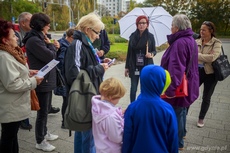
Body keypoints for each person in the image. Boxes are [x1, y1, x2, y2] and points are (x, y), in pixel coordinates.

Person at [64, 12, 110, 153]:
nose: (98, 36)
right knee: (89, 134)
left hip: (89, 93)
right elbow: (74, 74)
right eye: (97, 32)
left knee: (82, 131)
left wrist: (101, 63)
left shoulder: (86, 43)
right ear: (87, 29)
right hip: (84, 95)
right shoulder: (78, 44)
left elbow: (84, 65)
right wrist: (98, 69)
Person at [0, 18, 43, 153]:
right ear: (4, 40)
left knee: (12, 136)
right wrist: (33, 81)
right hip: (10, 106)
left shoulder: (10, 53)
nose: (17, 38)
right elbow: (12, 84)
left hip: (13, 105)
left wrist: (28, 73)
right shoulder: (4, 56)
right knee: (9, 137)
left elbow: (12, 74)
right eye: (13, 36)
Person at [160, 14, 199, 150]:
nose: (170, 28)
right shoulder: (190, 40)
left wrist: (170, 90)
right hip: (188, 84)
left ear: (176, 27)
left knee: (176, 114)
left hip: (178, 87)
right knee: (181, 112)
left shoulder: (180, 43)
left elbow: (176, 69)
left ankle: (175, 144)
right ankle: (181, 141)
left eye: (172, 25)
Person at [22, 13, 60, 152]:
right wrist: (52, 47)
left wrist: (52, 45)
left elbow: (51, 53)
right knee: (42, 112)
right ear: (40, 25)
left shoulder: (40, 37)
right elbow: (50, 56)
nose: (49, 26)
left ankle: (44, 132)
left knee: (46, 109)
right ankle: (40, 140)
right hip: (41, 79)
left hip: (46, 78)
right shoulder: (34, 40)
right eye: (47, 23)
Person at [122, 65, 178, 153]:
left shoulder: (132, 108)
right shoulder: (167, 109)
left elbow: (127, 137)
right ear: (161, 82)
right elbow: (173, 138)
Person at [124, 15, 157, 103]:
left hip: (146, 65)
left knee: (144, 88)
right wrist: (127, 67)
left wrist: (151, 54)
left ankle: (143, 106)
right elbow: (129, 53)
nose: (141, 25)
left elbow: (154, 51)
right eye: (139, 23)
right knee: (133, 88)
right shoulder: (132, 36)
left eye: (144, 23)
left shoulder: (150, 36)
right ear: (137, 24)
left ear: (147, 24)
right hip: (134, 65)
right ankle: (132, 106)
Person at [196, 21, 222, 128]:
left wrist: (197, 55)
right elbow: (190, 55)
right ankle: (185, 112)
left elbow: (213, 57)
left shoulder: (216, 42)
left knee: (206, 97)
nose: (201, 31)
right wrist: (205, 55)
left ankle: (201, 118)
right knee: (189, 92)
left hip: (210, 74)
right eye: (201, 29)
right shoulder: (196, 41)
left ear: (210, 31)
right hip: (197, 72)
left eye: (204, 30)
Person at [91, 77, 126, 153]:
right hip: (111, 150)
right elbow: (117, 137)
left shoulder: (97, 107)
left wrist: (119, 113)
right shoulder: (110, 116)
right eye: (118, 98)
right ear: (111, 97)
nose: (118, 101)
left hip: (101, 147)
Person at [14, 12, 33, 130]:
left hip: (25, 67)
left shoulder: (28, 33)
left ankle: (23, 118)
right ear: (23, 23)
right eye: (31, 21)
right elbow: (16, 52)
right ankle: (23, 120)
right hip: (18, 69)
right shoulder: (15, 34)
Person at [54, 28, 75, 129]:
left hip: (66, 77)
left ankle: (67, 120)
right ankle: (64, 122)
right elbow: (61, 62)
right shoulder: (64, 45)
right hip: (64, 78)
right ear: (70, 37)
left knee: (68, 99)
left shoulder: (65, 44)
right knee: (66, 100)